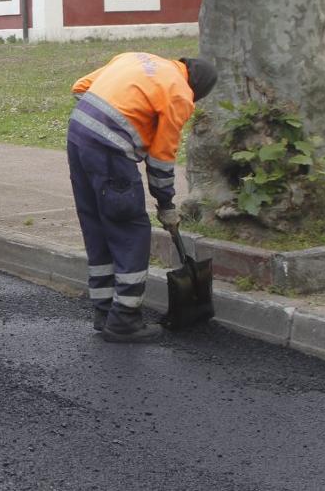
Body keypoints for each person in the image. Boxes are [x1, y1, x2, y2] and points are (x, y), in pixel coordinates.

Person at [68, 52, 217, 343]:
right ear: (196, 91)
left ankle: (104, 310)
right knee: (130, 229)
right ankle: (124, 319)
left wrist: (113, 123)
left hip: (78, 136)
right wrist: (165, 204)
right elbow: (161, 159)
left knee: (98, 224)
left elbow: (80, 87)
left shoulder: (135, 58)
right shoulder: (180, 94)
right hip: (109, 151)